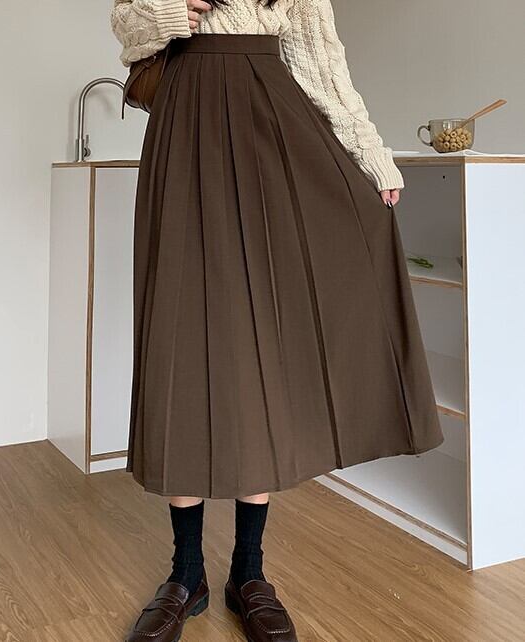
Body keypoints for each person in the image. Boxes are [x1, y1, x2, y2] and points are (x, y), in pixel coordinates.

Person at [110, 0, 444, 640]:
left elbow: (323, 64)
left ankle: (249, 572)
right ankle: (185, 573)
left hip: (269, 130)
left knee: (261, 343)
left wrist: (372, 157)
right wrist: (170, 11)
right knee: (179, 340)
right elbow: (127, 27)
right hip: (183, 131)